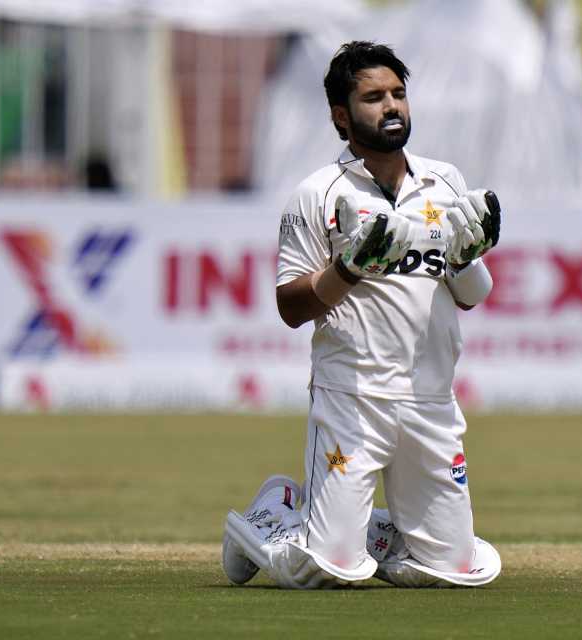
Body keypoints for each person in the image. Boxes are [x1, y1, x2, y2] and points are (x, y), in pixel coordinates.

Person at [222, 40, 502, 589]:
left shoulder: (443, 184)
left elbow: (470, 295)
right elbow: (289, 307)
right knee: (324, 572)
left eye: (399, 94)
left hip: (431, 400)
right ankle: (269, 516)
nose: (392, 106)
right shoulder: (318, 194)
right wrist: (349, 268)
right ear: (341, 117)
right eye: (374, 98)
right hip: (352, 397)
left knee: (454, 571)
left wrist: (469, 259)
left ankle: (376, 531)